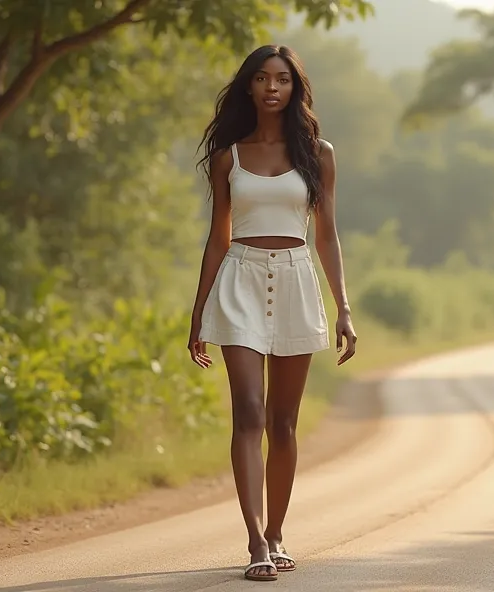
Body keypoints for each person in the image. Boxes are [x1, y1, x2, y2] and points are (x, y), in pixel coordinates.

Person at [188, 44, 357, 582]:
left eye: (281, 79)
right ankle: (256, 541)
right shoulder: (227, 158)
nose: (271, 88)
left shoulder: (318, 153)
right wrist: (197, 317)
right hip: (237, 279)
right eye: (261, 78)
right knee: (250, 413)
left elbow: (327, 236)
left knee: (284, 423)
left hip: (296, 281)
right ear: (249, 87)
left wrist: (344, 310)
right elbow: (218, 238)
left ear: (294, 88)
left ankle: (279, 532)